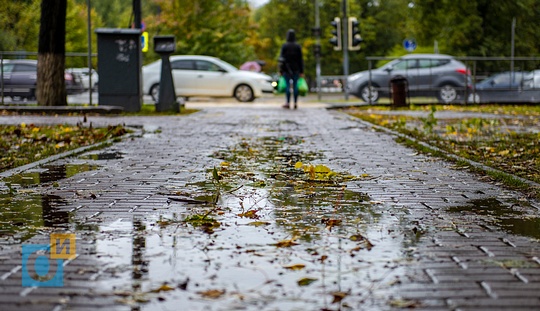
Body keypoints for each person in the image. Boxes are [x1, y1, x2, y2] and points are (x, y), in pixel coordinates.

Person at [279, 29, 304, 109]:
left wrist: (281, 70)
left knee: (287, 86)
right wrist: (301, 71)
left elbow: (281, 59)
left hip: (286, 69)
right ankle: (296, 102)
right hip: (296, 69)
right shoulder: (297, 46)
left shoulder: (285, 46)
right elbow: (300, 59)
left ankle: (287, 102)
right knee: (295, 85)